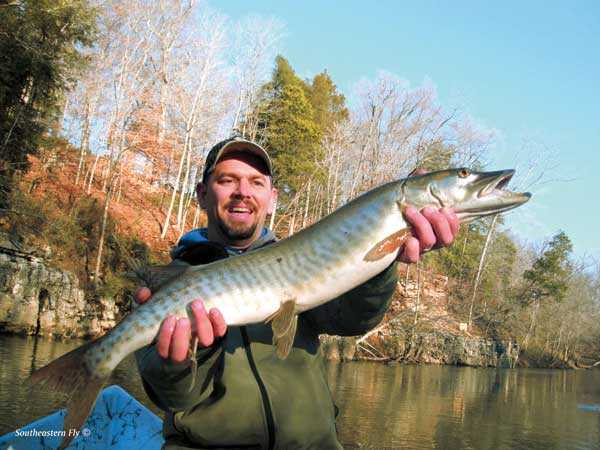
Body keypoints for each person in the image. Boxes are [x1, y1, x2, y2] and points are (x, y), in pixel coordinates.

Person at [134, 136, 459, 450]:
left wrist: (384, 258)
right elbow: (170, 397)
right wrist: (180, 362)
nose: (243, 192)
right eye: (227, 180)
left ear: (272, 198)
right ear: (203, 194)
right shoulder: (170, 286)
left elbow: (353, 318)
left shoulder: (303, 265)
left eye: (256, 182)